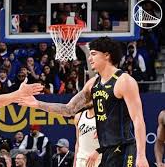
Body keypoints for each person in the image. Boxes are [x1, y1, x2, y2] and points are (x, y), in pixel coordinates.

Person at [18, 37, 149, 167]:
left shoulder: (124, 81)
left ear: (107, 55)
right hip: (105, 150)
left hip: (124, 148)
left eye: (93, 54)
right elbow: (69, 109)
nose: (90, 58)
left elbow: (138, 120)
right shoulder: (92, 84)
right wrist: (37, 104)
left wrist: (141, 156)